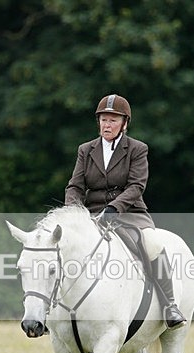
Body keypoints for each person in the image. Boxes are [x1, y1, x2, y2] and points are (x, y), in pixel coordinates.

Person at [65, 94, 186, 330]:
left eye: (113, 120)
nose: (107, 125)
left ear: (124, 123)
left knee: (152, 244)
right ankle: (50, 311)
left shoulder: (137, 149)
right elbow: (75, 186)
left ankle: (169, 304)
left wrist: (114, 208)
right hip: (93, 215)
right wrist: (73, 212)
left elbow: (136, 186)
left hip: (130, 213)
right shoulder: (85, 150)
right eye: (103, 120)